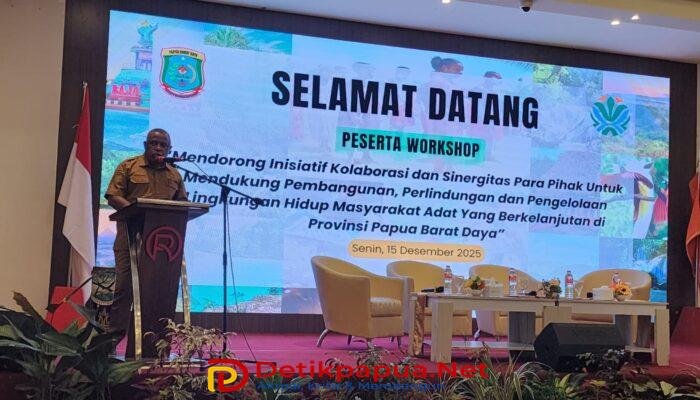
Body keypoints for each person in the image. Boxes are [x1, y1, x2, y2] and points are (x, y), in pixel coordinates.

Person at [104, 128, 188, 339]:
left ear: (169, 149)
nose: (158, 147)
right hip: (130, 238)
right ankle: (111, 343)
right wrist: (138, 214)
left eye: (163, 145)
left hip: (162, 245)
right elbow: (113, 196)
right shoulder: (129, 166)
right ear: (145, 145)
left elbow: (182, 205)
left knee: (158, 292)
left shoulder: (175, 174)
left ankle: (154, 342)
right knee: (125, 289)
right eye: (153, 143)